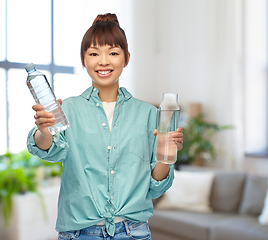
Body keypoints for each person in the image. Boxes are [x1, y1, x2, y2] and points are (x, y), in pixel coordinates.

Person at [27, 13, 184, 240]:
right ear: (84, 59)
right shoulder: (67, 108)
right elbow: (50, 151)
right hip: (79, 233)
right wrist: (44, 131)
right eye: (93, 54)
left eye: (113, 53)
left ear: (126, 58)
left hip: (133, 232)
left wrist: (165, 155)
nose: (103, 61)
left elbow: (155, 188)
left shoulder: (149, 113)